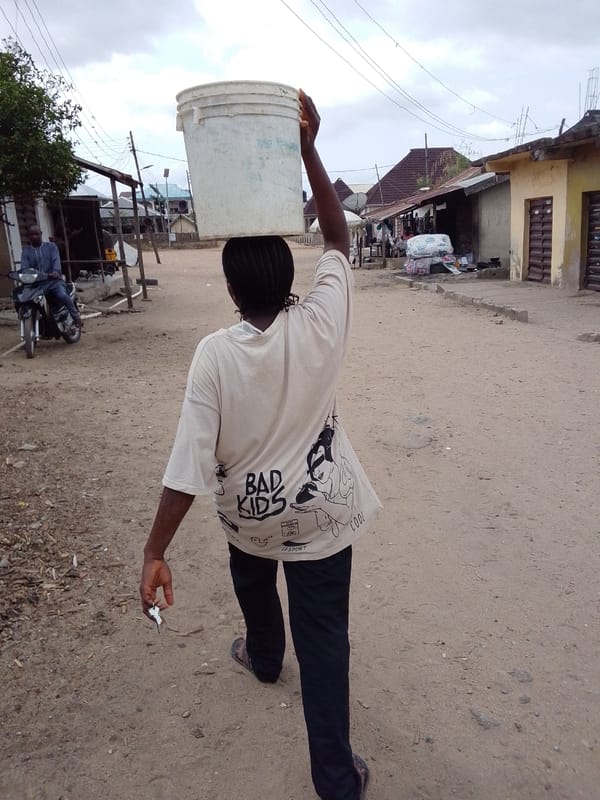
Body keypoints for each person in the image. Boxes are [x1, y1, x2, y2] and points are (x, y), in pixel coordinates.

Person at [139, 89, 381, 800]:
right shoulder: (321, 321)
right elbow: (338, 240)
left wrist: (155, 550)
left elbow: (189, 467)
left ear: (230, 286)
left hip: (249, 517)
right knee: (326, 639)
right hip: (322, 516)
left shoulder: (214, 354)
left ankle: (264, 657)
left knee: (252, 583)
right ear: (287, 275)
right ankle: (336, 779)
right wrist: (306, 148)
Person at [20, 225, 82, 327]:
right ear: (28, 236)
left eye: (36, 234)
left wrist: (55, 272)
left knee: (63, 296)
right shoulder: (26, 251)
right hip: (35, 285)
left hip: (53, 282)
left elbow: (56, 262)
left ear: (41, 234)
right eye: (31, 234)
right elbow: (24, 267)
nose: (34, 236)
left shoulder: (51, 247)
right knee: (22, 300)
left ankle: (76, 318)